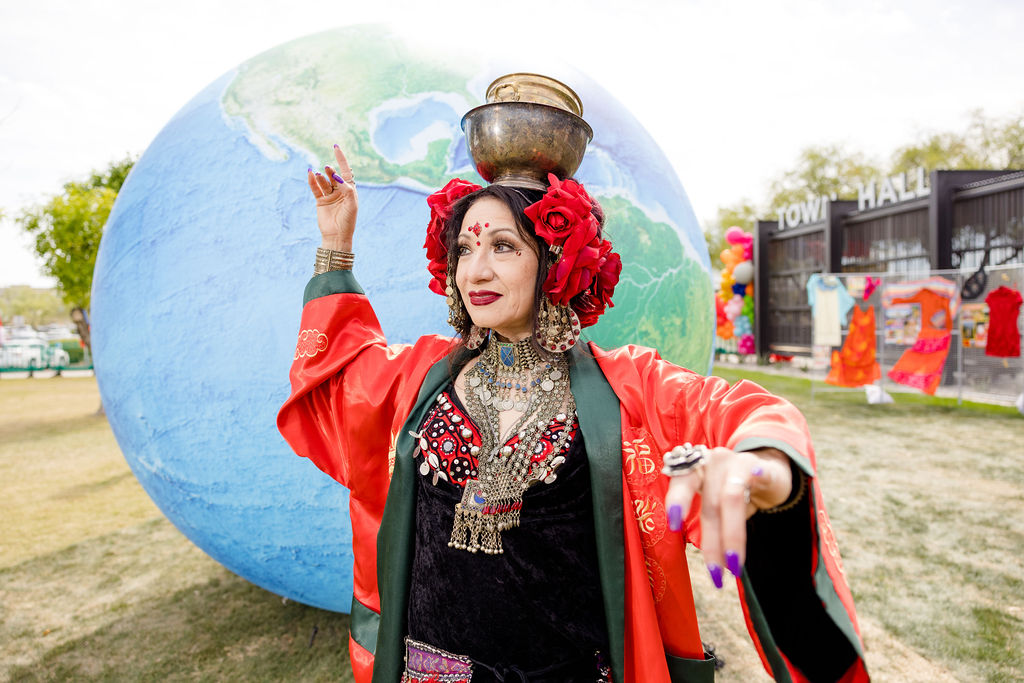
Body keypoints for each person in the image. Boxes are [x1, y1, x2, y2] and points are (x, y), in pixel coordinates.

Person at [278, 81, 868, 683]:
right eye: (463, 249)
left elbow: (742, 413)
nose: (475, 270)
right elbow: (336, 385)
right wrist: (336, 249)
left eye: (503, 247)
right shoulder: (420, 376)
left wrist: (760, 470)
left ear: (555, 261)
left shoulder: (628, 389)